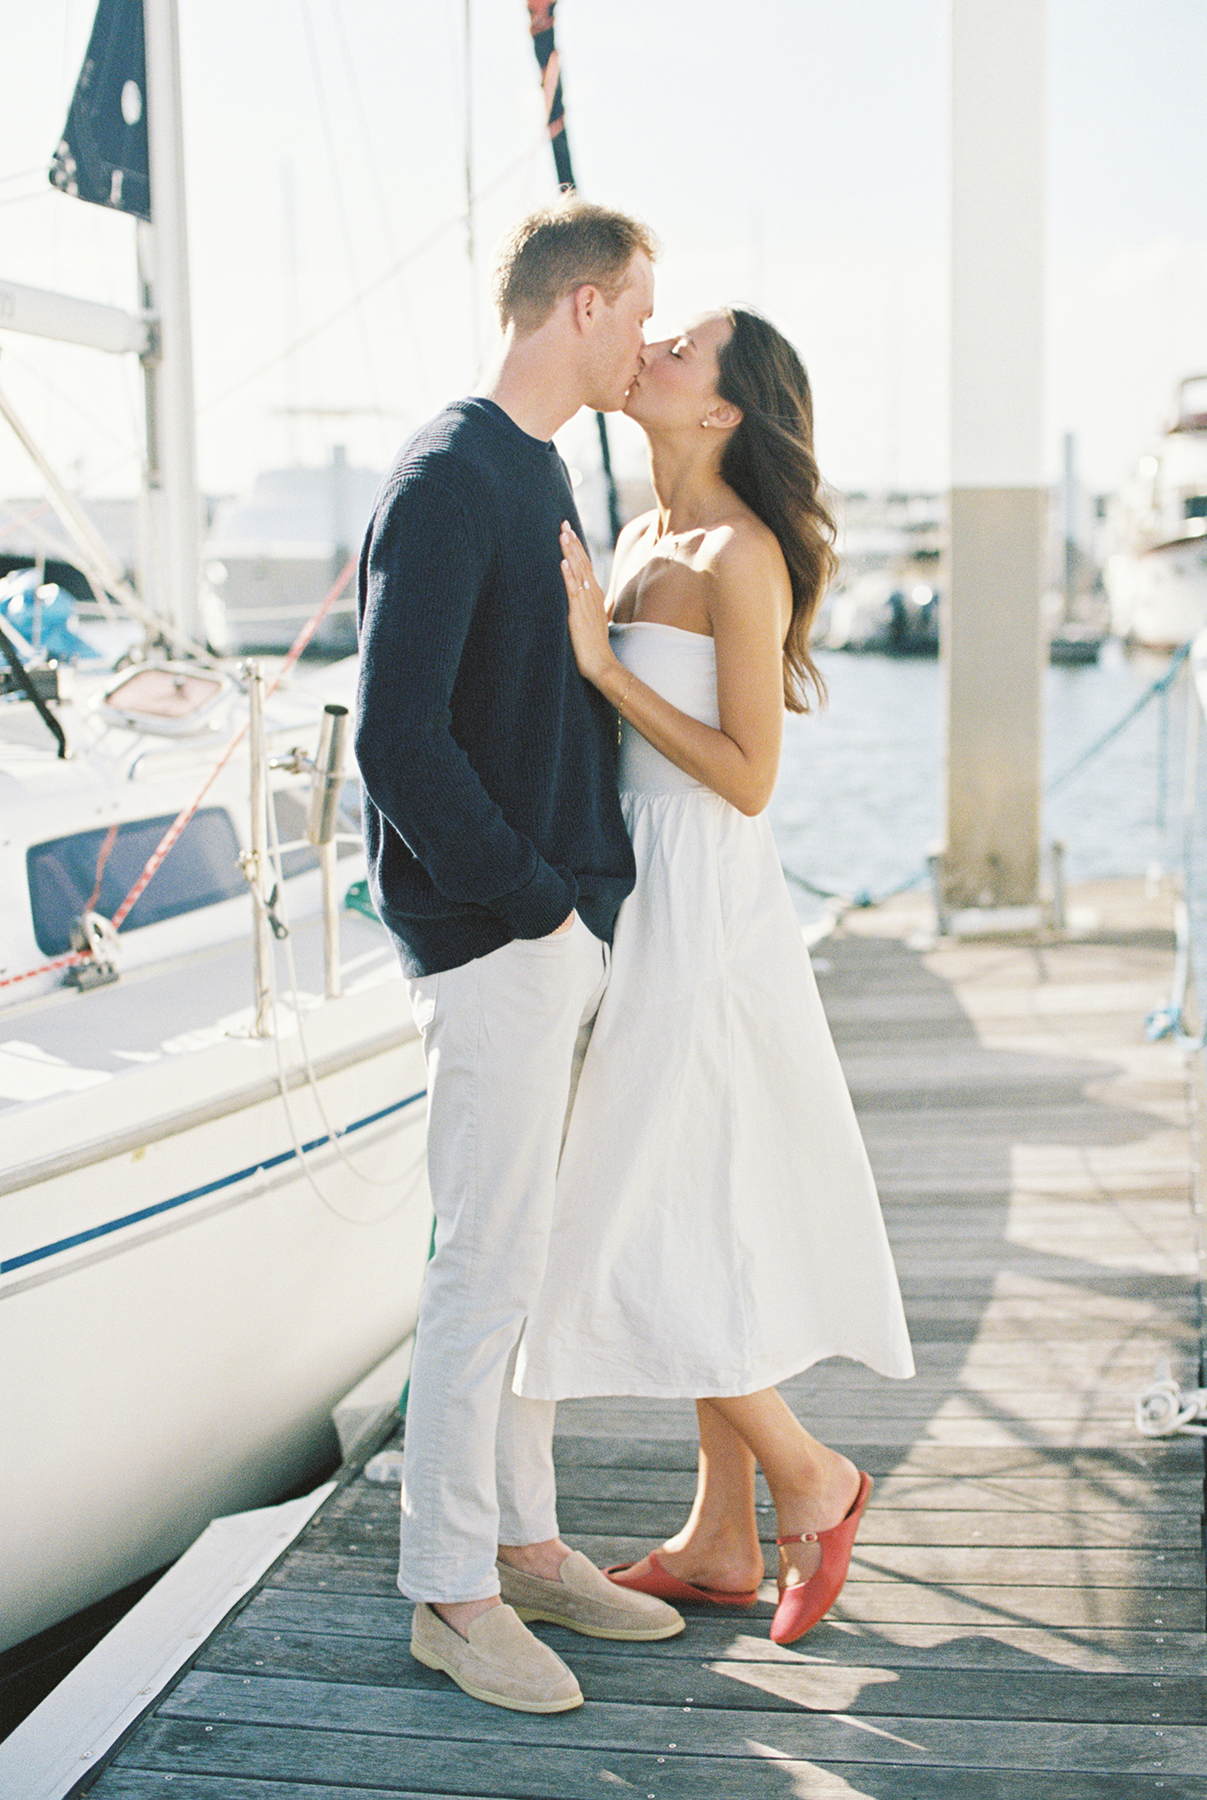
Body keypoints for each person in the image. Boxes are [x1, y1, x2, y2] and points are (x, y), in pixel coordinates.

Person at [515, 306, 915, 1646]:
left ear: (723, 411)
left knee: (617, 1218)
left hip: (703, 904)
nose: (657, 345)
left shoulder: (739, 555)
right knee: (691, 1197)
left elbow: (748, 777)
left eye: (682, 344)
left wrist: (594, 667)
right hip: (636, 888)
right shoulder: (635, 536)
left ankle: (816, 1478)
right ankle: (720, 1540)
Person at [354, 197, 685, 1716]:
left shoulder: (538, 469)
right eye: (639, 311)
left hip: (547, 933)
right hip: (496, 942)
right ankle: (450, 1591)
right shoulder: (448, 476)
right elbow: (394, 740)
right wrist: (541, 904)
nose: (647, 340)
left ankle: (530, 1545)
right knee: (479, 1271)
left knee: (529, 1267)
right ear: (583, 307)